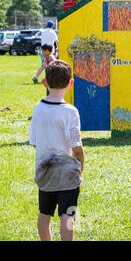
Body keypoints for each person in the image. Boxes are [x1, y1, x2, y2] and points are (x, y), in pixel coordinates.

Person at [29, 60, 85, 241]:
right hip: (68, 174)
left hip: (45, 171)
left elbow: (34, 142)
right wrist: (81, 165)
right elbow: (77, 147)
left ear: (45, 82)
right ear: (71, 83)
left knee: (44, 213)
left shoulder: (38, 109)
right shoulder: (71, 112)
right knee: (67, 215)